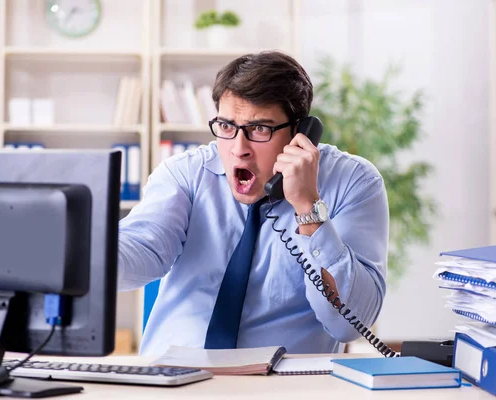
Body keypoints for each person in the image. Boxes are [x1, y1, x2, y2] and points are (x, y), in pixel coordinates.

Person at [118, 50, 389, 356]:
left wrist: (308, 208)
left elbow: (348, 326)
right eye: (226, 126)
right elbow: (143, 246)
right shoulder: (187, 174)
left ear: (300, 133)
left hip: (282, 387)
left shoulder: (353, 182)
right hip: (174, 379)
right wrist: (82, 245)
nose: (238, 149)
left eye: (259, 129)